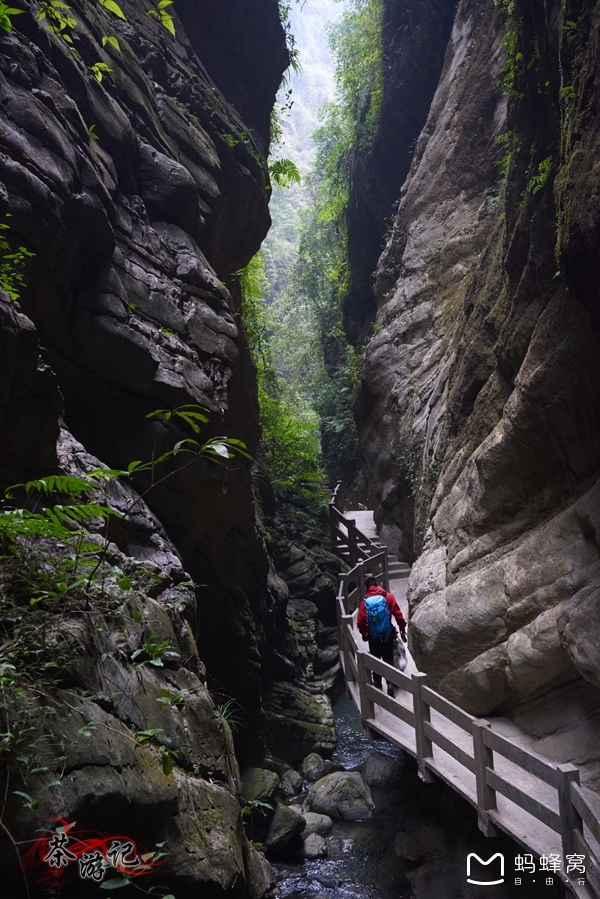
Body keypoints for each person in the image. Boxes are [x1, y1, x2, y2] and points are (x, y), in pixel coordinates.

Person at [357, 574, 406, 697]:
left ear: (366, 587)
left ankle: (378, 683)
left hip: (373, 636)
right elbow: (398, 615)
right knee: (388, 658)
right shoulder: (388, 597)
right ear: (377, 583)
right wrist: (402, 628)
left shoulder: (365, 602)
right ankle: (390, 685)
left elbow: (360, 621)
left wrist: (365, 633)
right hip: (387, 634)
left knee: (375, 658)